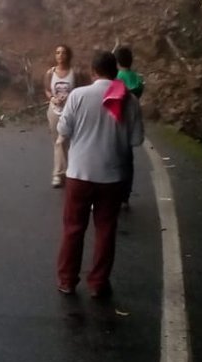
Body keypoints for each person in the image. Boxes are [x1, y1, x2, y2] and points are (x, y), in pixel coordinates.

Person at [55, 49, 144, 298]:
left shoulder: (78, 95)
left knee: (73, 229)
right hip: (113, 178)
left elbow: (64, 128)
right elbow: (137, 140)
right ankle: (98, 283)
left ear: (93, 72)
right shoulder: (129, 100)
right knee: (105, 229)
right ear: (116, 71)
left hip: (79, 175)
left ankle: (67, 281)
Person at [44, 44, 79, 188]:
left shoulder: (75, 73)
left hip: (71, 110)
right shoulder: (50, 73)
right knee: (57, 142)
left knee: (69, 142)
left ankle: (66, 173)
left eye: (63, 53)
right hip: (54, 110)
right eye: (57, 53)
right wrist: (52, 98)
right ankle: (60, 173)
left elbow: (81, 89)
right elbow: (46, 89)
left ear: (68, 55)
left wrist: (71, 97)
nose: (60, 56)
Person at [115, 45, 145, 209]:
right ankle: (125, 197)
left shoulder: (116, 78)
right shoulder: (137, 78)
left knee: (114, 160)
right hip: (132, 121)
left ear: (117, 62)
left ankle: (114, 194)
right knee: (128, 161)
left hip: (117, 122)